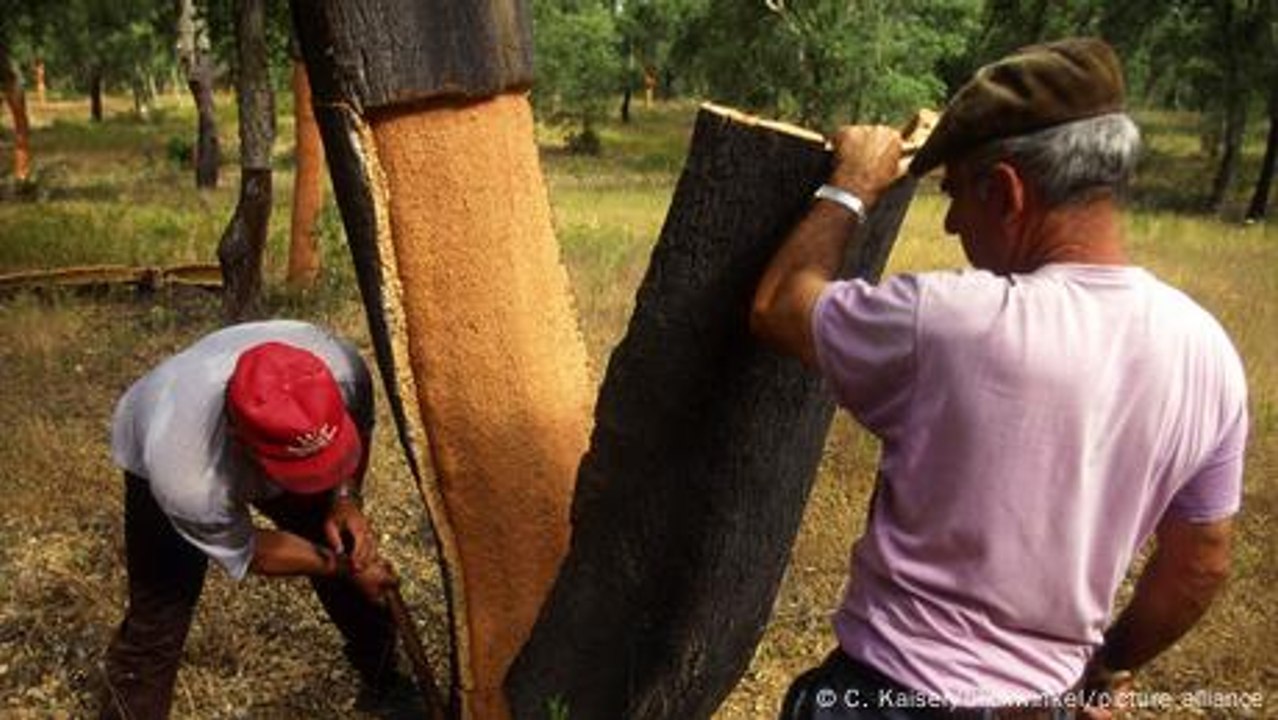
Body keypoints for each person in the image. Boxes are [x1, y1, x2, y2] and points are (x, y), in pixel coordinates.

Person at [751, 38, 1248, 719]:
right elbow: (1202, 562)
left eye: (956, 196)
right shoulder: (1207, 351)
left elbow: (779, 305)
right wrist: (1105, 667)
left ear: (1007, 192)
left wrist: (854, 185)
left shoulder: (951, 322)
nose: (953, 224)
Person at [100, 319, 409, 719]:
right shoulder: (186, 475)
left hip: (271, 419)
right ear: (236, 436)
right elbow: (251, 551)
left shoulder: (344, 371)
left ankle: (385, 677)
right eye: (299, 471)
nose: (312, 481)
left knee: (342, 543)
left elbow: (359, 428)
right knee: (159, 616)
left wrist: (346, 499)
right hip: (158, 434)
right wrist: (342, 568)